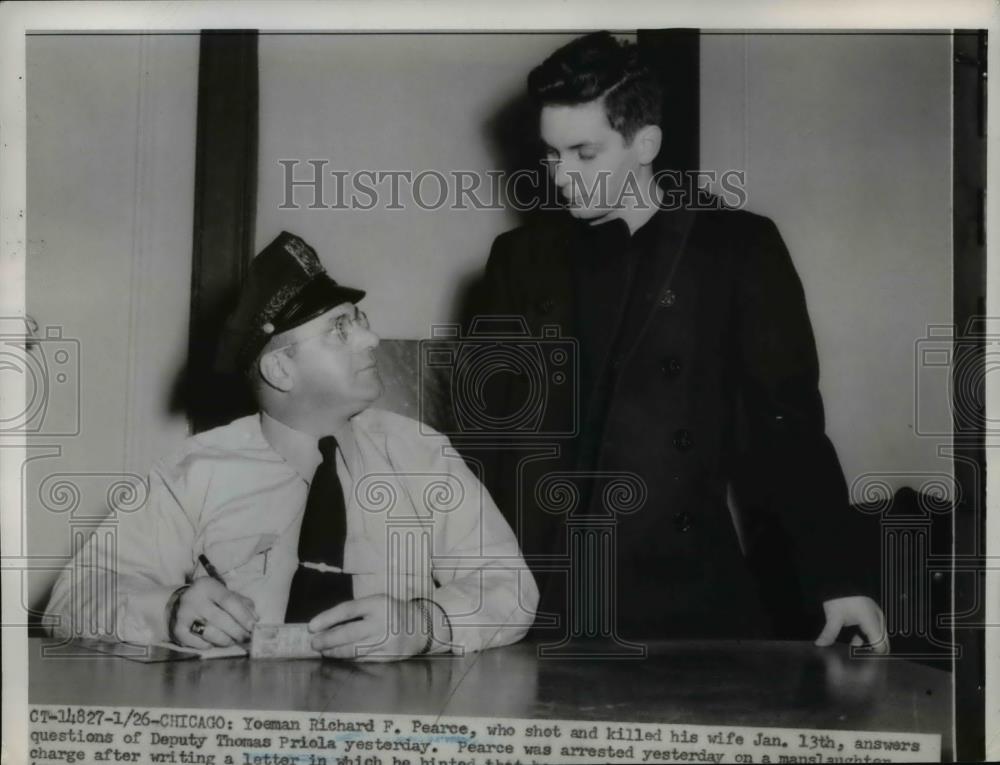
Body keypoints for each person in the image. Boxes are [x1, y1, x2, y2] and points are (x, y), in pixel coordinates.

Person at [468, 32, 887, 650]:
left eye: (584, 153)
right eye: (551, 155)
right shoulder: (519, 261)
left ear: (646, 144)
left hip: (683, 595)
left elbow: (788, 427)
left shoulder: (737, 249)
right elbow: (487, 444)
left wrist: (839, 576)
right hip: (540, 594)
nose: (561, 177)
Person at [45, 231, 538, 660]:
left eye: (360, 320)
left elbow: (510, 588)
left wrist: (427, 624)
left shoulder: (422, 455)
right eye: (340, 331)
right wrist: (170, 609)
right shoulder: (195, 472)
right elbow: (72, 599)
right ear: (280, 370)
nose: (371, 340)